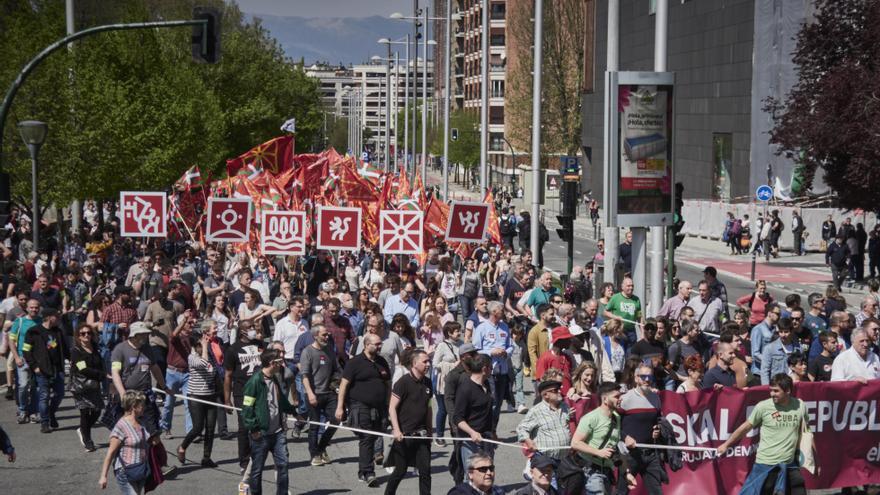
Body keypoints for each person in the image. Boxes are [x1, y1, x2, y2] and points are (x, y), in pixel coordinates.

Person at [716, 374, 811, 495]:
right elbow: (745, 427)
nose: (772, 394)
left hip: (789, 464)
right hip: (765, 464)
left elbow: (807, 432)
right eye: (771, 390)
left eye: (776, 391)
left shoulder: (800, 406)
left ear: (788, 391)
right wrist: (726, 444)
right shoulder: (763, 406)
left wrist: (815, 459)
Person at [335, 332, 390, 486]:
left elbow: (388, 383)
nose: (380, 346)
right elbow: (344, 384)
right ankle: (368, 472)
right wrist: (340, 407)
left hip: (379, 407)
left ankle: (363, 470)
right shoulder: (355, 363)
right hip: (360, 406)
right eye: (377, 344)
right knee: (366, 438)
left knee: (375, 436)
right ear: (366, 345)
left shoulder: (381, 361)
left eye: (380, 344)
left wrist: (389, 404)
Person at [241, 349, 296, 495]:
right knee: (257, 470)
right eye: (279, 362)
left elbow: (282, 400)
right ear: (272, 363)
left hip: (277, 432)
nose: (282, 364)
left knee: (283, 466)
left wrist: (294, 411)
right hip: (262, 434)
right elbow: (247, 408)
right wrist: (254, 429)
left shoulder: (274, 378)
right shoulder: (254, 382)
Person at [570, 382, 637, 495]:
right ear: (605, 399)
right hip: (590, 471)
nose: (620, 399)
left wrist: (626, 473)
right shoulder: (591, 418)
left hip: (607, 471)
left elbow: (615, 448)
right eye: (616, 396)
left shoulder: (616, 418)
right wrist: (598, 452)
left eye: (620, 396)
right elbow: (575, 443)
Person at [110, 321, 171, 439]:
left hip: (145, 395)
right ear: (134, 335)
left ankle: (151, 456)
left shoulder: (148, 349)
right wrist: (123, 394)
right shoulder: (120, 349)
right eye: (143, 334)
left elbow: (155, 368)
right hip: (128, 395)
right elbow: (115, 373)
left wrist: (164, 387)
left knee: (153, 431)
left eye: (146, 334)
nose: (146, 336)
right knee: (126, 432)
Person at [386, 349, 433, 495]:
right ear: (414, 363)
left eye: (428, 361)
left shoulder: (428, 383)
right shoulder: (403, 383)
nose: (428, 364)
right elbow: (392, 408)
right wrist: (396, 430)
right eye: (424, 361)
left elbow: (429, 408)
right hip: (405, 435)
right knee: (400, 470)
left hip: (422, 434)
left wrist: (430, 431)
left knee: (425, 472)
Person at [224, 321, 266, 474]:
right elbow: (228, 376)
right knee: (244, 427)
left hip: (259, 391)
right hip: (242, 392)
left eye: (253, 327)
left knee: (260, 424)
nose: (253, 329)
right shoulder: (232, 350)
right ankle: (244, 461)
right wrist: (227, 399)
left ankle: (258, 456)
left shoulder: (259, 344)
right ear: (241, 331)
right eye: (250, 327)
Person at [176, 322, 219, 468]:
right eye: (201, 345)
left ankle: (206, 457)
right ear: (197, 346)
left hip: (210, 394)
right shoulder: (192, 357)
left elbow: (213, 370)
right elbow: (204, 363)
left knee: (211, 428)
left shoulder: (208, 354)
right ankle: (182, 446)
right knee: (198, 427)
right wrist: (205, 348)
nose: (203, 347)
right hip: (196, 396)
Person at [617, 364, 663, 495]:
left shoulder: (656, 398)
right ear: (636, 378)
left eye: (650, 376)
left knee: (657, 492)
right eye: (643, 376)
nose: (647, 379)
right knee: (621, 492)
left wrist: (658, 430)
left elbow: (658, 420)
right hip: (630, 455)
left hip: (650, 454)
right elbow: (613, 425)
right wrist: (625, 437)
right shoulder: (625, 399)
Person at [300, 325, 342, 466]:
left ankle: (322, 446)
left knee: (336, 419)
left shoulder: (329, 350)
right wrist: (310, 394)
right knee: (315, 425)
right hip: (314, 393)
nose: (327, 337)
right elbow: (304, 375)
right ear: (315, 336)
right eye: (324, 335)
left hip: (329, 393)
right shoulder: (308, 352)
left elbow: (337, 370)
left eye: (327, 335)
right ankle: (314, 454)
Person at [98, 390, 153, 495]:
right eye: (142, 405)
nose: (144, 407)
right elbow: (110, 453)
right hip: (125, 471)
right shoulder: (121, 426)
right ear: (133, 407)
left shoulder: (142, 422)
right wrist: (103, 476)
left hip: (141, 469)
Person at [22, 307, 66, 433]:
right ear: (49, 317)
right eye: (56, 316)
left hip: (57, 369)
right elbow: (26, 351)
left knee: (60, 394)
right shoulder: (33, 332)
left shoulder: (58, 331)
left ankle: (51, 413)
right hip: (41, 370)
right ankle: (45, 422)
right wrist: (34, 366)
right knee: (44, 396)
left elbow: (65, 349)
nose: (58, 319)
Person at [471, 301, 513, 425]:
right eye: (501, 310)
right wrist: (491, 352)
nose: (504, 312)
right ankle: (486, 429)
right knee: (491, 401)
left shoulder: (504, 327)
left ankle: (493, 429)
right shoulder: (482, 328)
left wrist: (506, 352)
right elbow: (476, 349)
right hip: (488, 371)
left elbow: (510, 346)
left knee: (499, 402)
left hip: (503, 370)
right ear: (494, 312)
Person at [454, 354, 496, 467]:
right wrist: (472, 432)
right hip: (471, 441)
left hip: (486, 438)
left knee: (488, 471)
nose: (492, 370)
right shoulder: (465, 388)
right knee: (473, 476)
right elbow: (457, 418)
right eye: (491, 368)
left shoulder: (486, 384)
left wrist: (492, 432)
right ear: (484, 369)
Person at [517, 379, 571, 461]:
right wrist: (528, 440)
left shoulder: (565, 406)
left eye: (560, 389)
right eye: (555, 390)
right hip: (546, 460)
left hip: (565, 459)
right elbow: (521, 428)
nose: (560, 391)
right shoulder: (536, 411)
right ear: (546, 395)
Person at [71, 323, 104, 452]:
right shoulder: (76, 350)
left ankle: (83, 429)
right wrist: (101, 375)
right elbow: (82, 369)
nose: (86, 335)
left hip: (94, 385)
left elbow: (100, 363)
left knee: (97, 411)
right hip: (81, 386)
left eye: (88, 333)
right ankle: (87, 440)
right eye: (83, 333)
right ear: (78, 336)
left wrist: (103, 375)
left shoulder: (95, 348)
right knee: (85, 412)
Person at [433, 321, 463, 446]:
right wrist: (451, 366)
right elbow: (435, 364)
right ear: (449, 333)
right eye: (457, 331)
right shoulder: (442, 346)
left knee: (456, 408)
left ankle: (455, 433)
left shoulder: (462, 344)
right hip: (444, 382)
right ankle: (439, 435)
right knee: (443, 409)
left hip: (459, 380)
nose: (459, 333)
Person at [603, 277, 642, 347]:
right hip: (618, 330)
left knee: (631, 354)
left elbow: (639, 317)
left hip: (631, 331)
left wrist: (642, 333)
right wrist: (616, 317)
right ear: (622, 287)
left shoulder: (636, 299)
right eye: (628, 286)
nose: (631, 288)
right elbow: (605, 312)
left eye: (632, 286)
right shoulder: (615, 298)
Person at [760, 318, 798, 385]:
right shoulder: (769, 348)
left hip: (794, 385)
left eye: (786, 332)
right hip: (777, 386)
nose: (783, 335)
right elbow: (764, 371)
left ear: (791, 331)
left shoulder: (798, 348)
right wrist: (766, 389)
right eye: (781, 332)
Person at [750, 303, 781, 376]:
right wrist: (770, 361)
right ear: (769, 313)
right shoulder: (758, 329)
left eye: (779, 314)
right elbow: (755, 354)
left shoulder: (775, 330)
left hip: (771, 373)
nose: (779, 316)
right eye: (777, 314)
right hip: (759, 372)